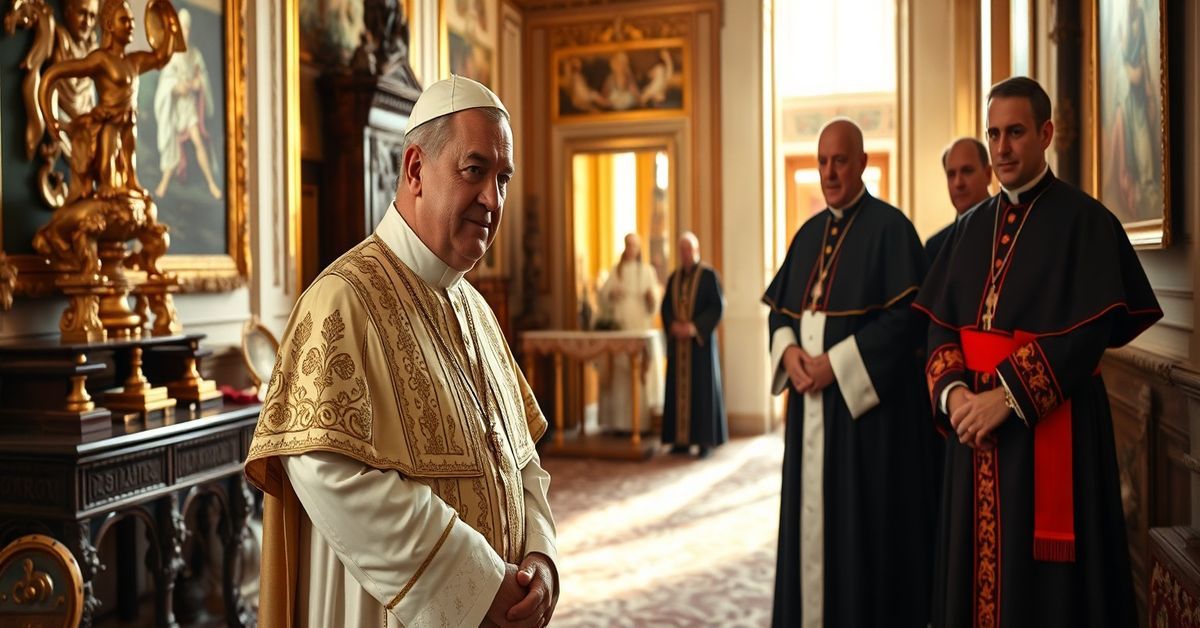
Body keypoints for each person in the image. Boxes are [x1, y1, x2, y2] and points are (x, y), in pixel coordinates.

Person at [245, 75, 559, 628]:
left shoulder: (478, 310)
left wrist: (541, 557)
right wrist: (478, 582)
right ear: (415, 170)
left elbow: (521, 458)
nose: (493, 198)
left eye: (503, 178)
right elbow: (326, 470)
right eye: (475, 171)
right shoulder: (341, 300)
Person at [914, 76, 1161, 628]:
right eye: (994, 134)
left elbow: (1088, 335)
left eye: (1016, 133)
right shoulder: (967, 230)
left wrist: (1005, 398)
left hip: (1053, 437)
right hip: (970, 438)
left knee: (1047, 600)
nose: (1002, 148)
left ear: (1046, 133)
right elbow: (937, 326)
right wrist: (955, 397)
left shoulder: (1086, 222)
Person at [762, 118, 935, 627]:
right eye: (822, 161)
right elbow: (780, 310)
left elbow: (906, 320)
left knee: (857, 532)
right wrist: (790, 352)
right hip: (808, 409)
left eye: (840, 160)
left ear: (861, 163)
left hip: (863, 424)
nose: (830, 172)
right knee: (808, 532)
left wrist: (834, 366)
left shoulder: (892, 229)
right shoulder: (809, 233)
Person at [38, 0, 183, 201]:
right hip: (108, 122)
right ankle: (106, 185)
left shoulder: (135, 61)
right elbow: (53, 74)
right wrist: (49, 116)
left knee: (130, 157)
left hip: (128, 121)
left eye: (132, 20)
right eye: (124, 20)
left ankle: (131, 182)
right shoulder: (101, 59)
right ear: (108, 25)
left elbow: (161, 57)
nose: (131, 24)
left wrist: (170, 26)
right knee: (107, 158)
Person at [661, 232, 726, 458]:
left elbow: (717, 307)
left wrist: (693, 328)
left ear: (696, 250)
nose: (685, 254)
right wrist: (673, 326)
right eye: (682, 250)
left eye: (689, 249)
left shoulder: (709, 276)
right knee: (677, 392)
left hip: (700, 347)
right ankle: (681, 441)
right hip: (679, 346)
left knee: (702, 392)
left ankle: (703, 441)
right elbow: (666, 307)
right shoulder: (674, 278)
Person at [596, 232, 664, 432]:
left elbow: (654, 304)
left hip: (639, 328)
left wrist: (651, 298)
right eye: (628, 245)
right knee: (620, 376)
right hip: (620, 329)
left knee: (639, 374)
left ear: (639, 248)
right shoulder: (616, 271)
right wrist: (611, 294)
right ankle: (618, 423)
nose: (631, 249)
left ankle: (640, 423)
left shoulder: (647, 271)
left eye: (634, 245)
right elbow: (602, 297)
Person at [152, 8, 223, 200]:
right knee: (171, 145)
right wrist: (177, 87)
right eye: (182, 28)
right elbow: (166, 84)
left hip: (189, 108)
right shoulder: (171, 54)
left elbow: (202, 79)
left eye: (188, 28)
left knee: (198, 141)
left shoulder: (195, 55)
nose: (186, 32)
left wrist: (194, 84)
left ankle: (211, 184)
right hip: (174, 109)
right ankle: (164, 185)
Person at [925, 137, 992, 264]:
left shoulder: (1009, 230)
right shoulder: (936, 247)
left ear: (988, 174)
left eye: (967, 171)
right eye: (951, 175)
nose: (958, 183)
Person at [51, 0, 99, 122]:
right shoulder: (60, 41)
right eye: (82, 13)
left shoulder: (94, 52)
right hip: (62, 125)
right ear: (68, 11)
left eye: (92, 16)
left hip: (88, 129)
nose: (87, 22)